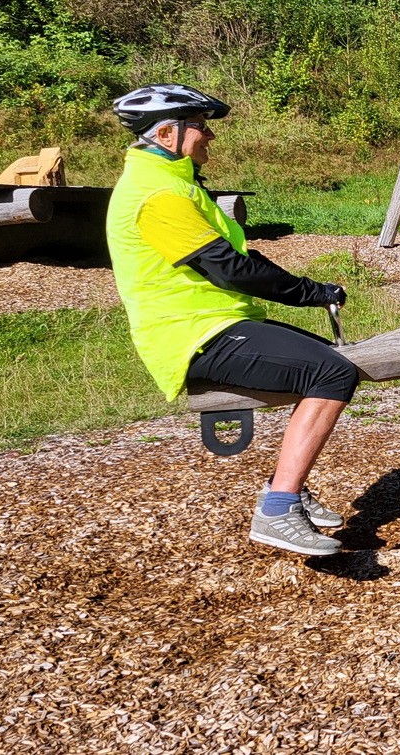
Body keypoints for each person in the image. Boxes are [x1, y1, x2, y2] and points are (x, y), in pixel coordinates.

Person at [105, 84, 358, 557]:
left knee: (328, 359)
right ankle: (278, 508)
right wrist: (310, 293)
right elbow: (230, 268)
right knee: (333, 372)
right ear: (166, 132)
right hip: (190, 334)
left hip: (216, 322)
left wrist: (309, 290)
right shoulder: (156, 193)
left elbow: (238, 255)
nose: (209, 137)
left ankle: (285, 488)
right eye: (200, 127)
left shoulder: (176, 182)